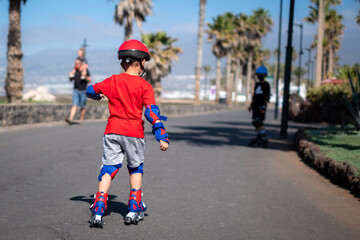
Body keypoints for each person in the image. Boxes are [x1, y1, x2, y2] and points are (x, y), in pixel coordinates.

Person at [86, 39, 169, 227]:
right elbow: (151, 113)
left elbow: (90, 90)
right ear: (141, 62)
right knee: (135, 168)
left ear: (123, 62)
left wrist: (99, 95)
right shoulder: (144, 86)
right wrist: (161, 135)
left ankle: (99, 207)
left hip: (113, 131)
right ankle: (133, 207)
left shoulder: (112, 80)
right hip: (133, 132)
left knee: (108, 167)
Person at [248, 66, 270, 147]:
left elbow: (267, 96)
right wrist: (251, 105)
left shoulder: (266, 85)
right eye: (258, 74)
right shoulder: (257, 84)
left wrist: (264, 107)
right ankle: (259, 137)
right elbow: (254, 96)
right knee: (255, 121)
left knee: (259, 121)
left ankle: (264, 136)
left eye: (260, 74)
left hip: (261, 106)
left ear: (264, 75)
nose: (259, 76)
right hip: (256, 106)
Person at [65, 58, 91, 124]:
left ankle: (81, 119)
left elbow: (89, 80)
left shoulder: (86, 71)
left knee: (82, 106)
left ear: (81, 64)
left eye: (77, 63)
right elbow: (71, 80)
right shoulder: (75, 71)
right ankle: (70, 119)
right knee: (74, 104)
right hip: (76, 90)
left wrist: (84, 76)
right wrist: (70, 75)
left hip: (83, 91)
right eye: (75, 63)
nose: (76, 64)